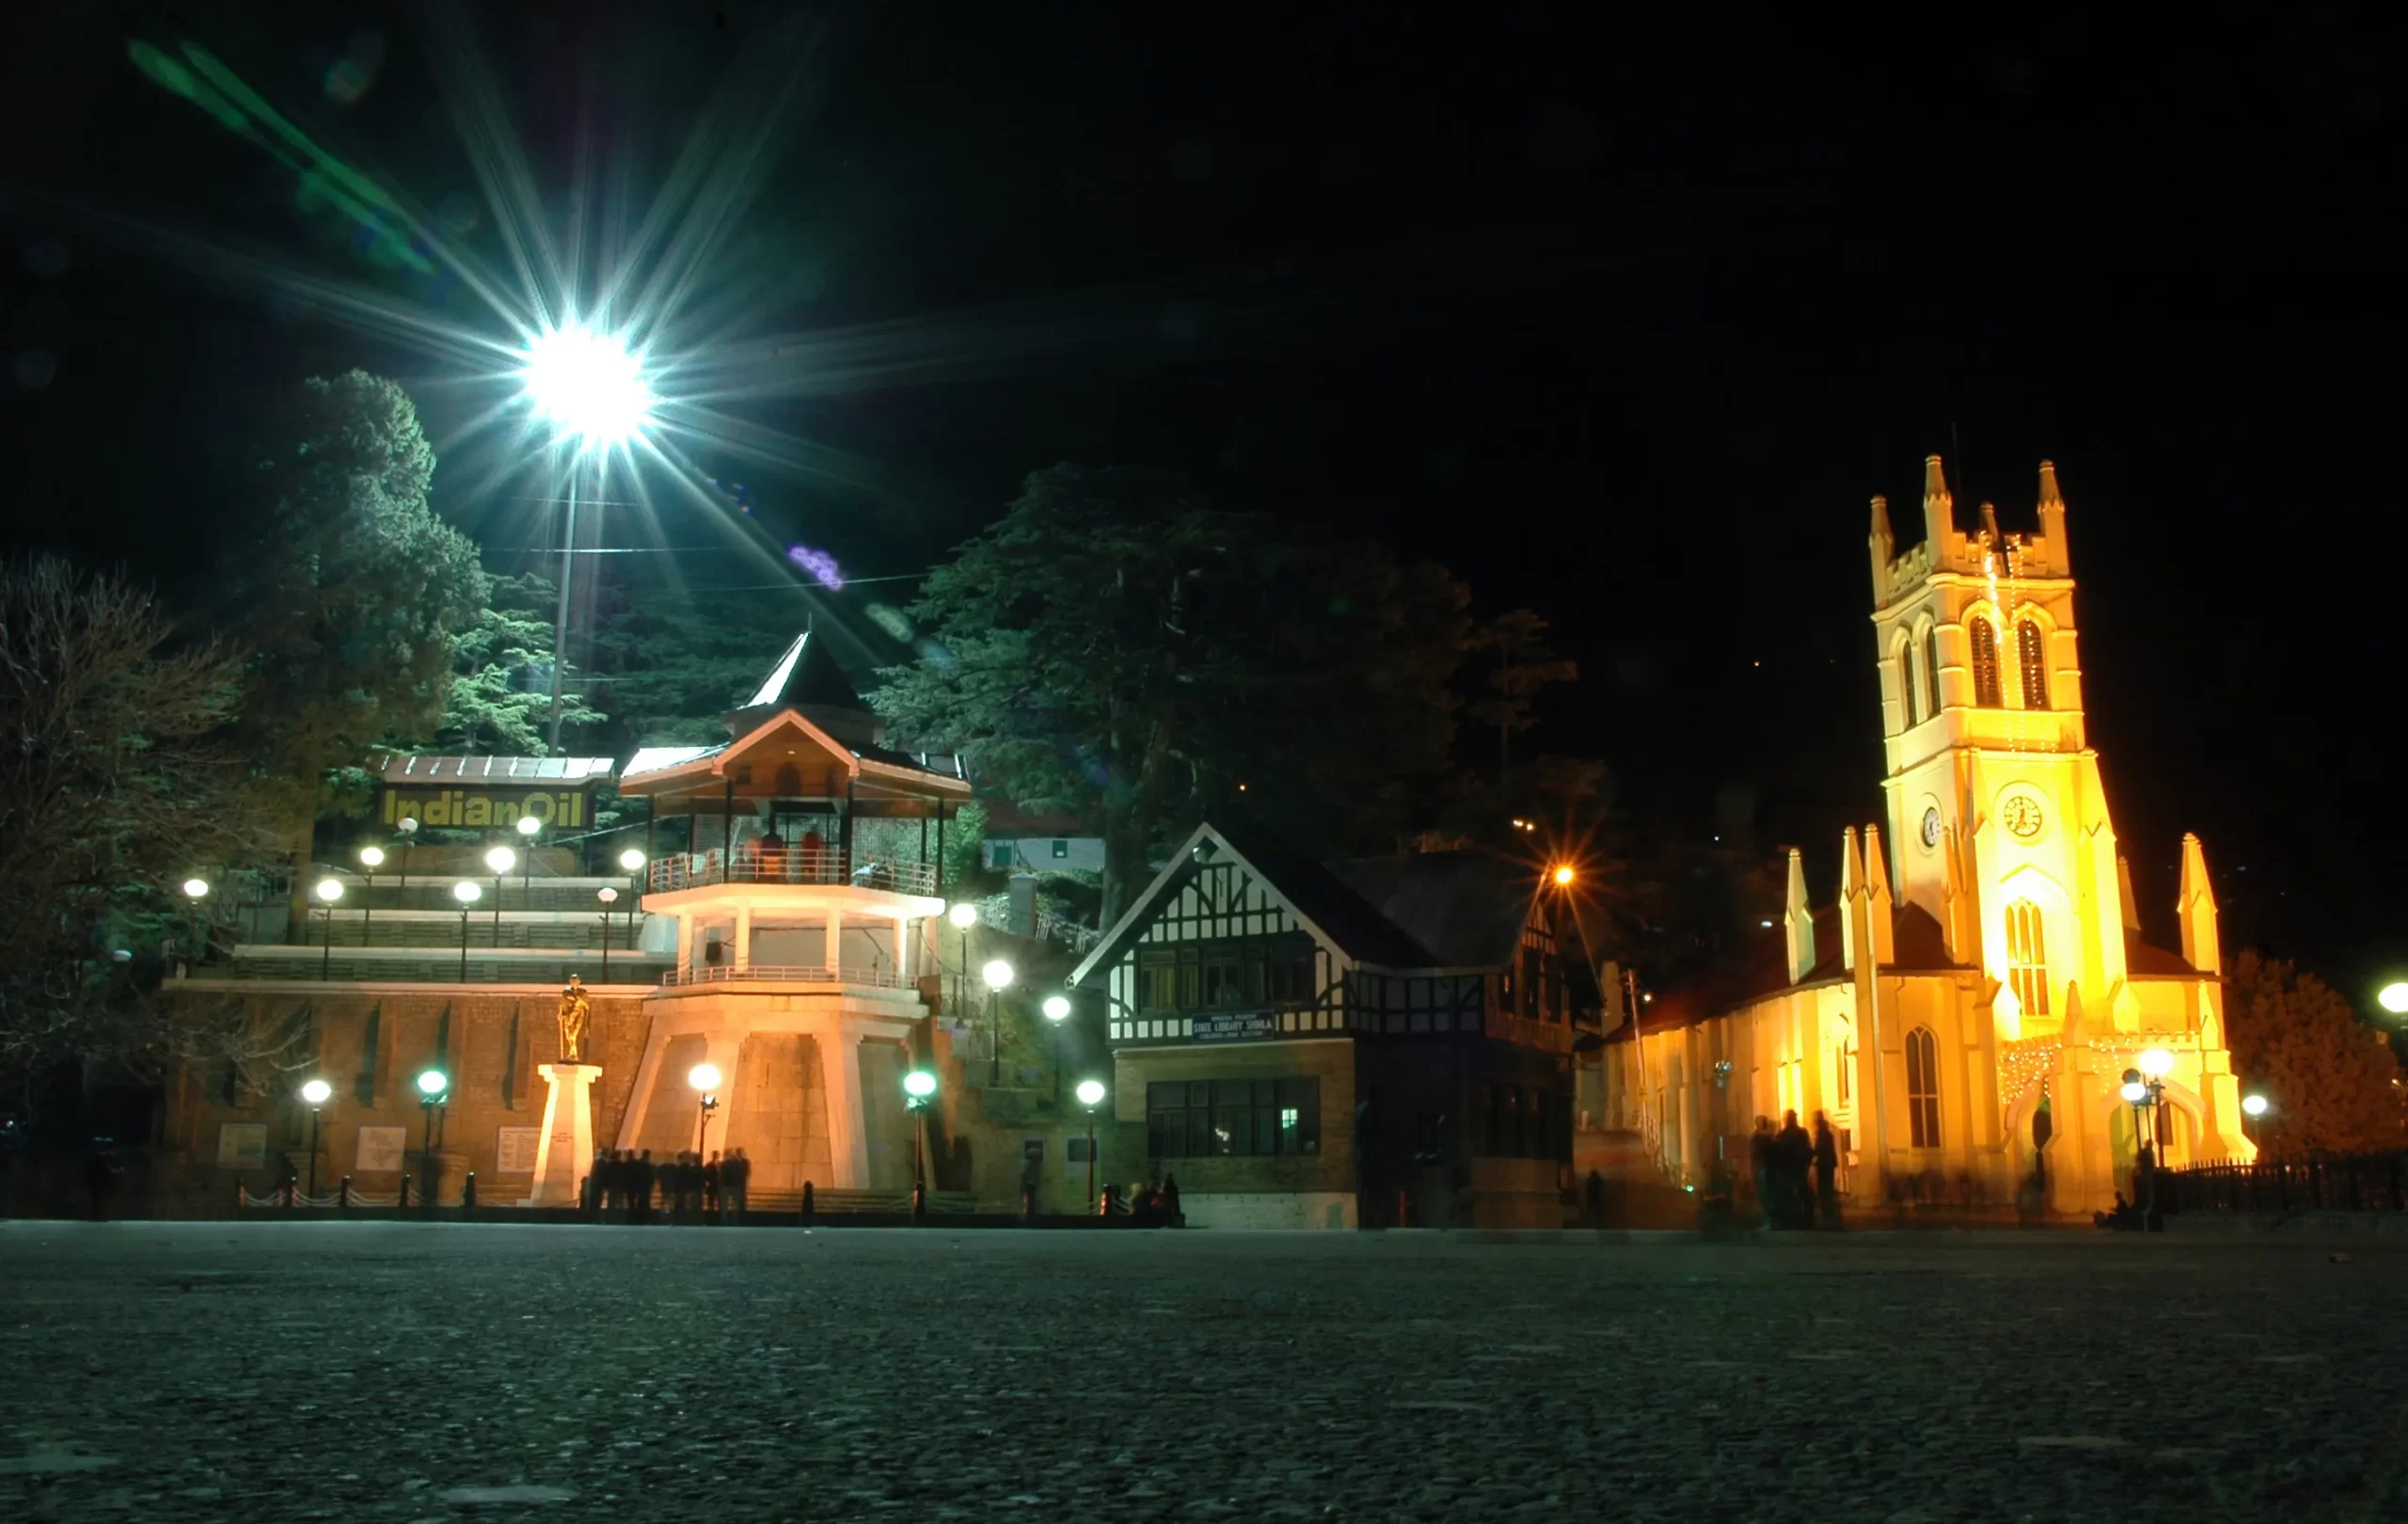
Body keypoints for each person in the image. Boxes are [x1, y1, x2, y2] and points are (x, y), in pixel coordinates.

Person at [1777, 1110, 1813, 1229]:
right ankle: (1805, 1220)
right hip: (1796, 1169)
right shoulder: (1800, 1133)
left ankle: (1795, 1220)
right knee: (1802, 1194)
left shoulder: (1783, 1135)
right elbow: (1808, 1150)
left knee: (1793, 1195)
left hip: (1791, 1170)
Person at [1811, 1111, 1841, 1230]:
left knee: (1824, 1191)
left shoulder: (1822, 1134)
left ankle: (1828, 1218)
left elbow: (1819, 1149)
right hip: (1828, 1165)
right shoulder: (1827, 1133)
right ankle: (1830, 1217)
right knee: (1827, 1190)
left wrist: (1811, 1155)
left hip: (1824, 1166)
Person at [1748, 1117, 1775, 1228]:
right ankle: (1768, 1219)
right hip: (1761, 1168)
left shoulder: (1761, 1137)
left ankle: (1769, 1220)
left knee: (1766, 1195)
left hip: (1763, 1168)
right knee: (1764, 1195)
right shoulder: (1759, 1137)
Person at [721, 1148, 749, 1222]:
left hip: (731, 1186)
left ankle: (730, 1220)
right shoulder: (728, 1163)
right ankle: (731, 1220)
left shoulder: (735, 1163)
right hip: (731, 1186)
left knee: (732, 1206)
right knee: (731, 1206)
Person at [702, 1151, 721, 1219]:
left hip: (719, 1185)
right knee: (711, 1202)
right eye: (715, 1155)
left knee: (719, 1202)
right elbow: (705, 1174)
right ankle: (710, 1217)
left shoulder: (721, 1164)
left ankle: (717, 1217)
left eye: (717, 1155)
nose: (716, 1156)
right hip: (712, 1185)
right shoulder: (709, 1164)